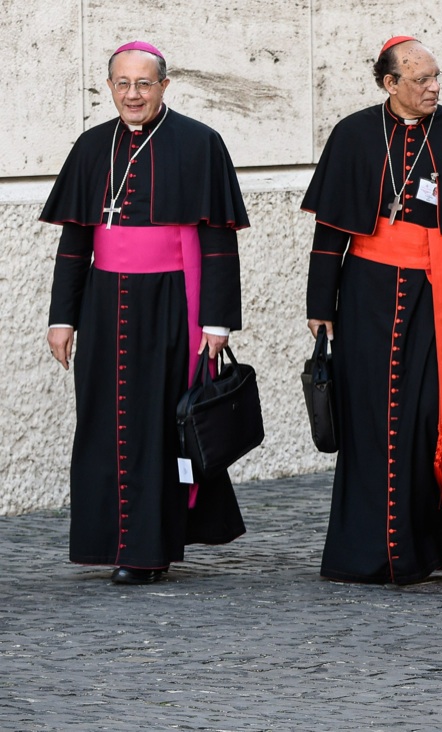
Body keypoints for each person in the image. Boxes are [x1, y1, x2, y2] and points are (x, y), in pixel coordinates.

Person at [301, 36, 442, 584]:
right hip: (366, 295)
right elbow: (331, 230)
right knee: (370, 418)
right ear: (390, 84)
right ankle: (370, 547)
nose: (434, 87)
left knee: (437, 417)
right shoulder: (354, 134)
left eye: (436, 77)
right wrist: (320, 302)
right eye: (421, 80)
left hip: (437, 295)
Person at [41, 41, 249, 585]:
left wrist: (216, 319)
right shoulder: (91, 147)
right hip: (105, 305)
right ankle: (107, 540)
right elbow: (74, 243)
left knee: (160, 422)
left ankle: (148, 549)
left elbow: (218, 240)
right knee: (103, 421)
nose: (133, 95)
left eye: (144, 84)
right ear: (109, 87)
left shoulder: (201, 143)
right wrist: (62, 318)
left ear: (164, 86)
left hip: (172, 302)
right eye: (122, 84)